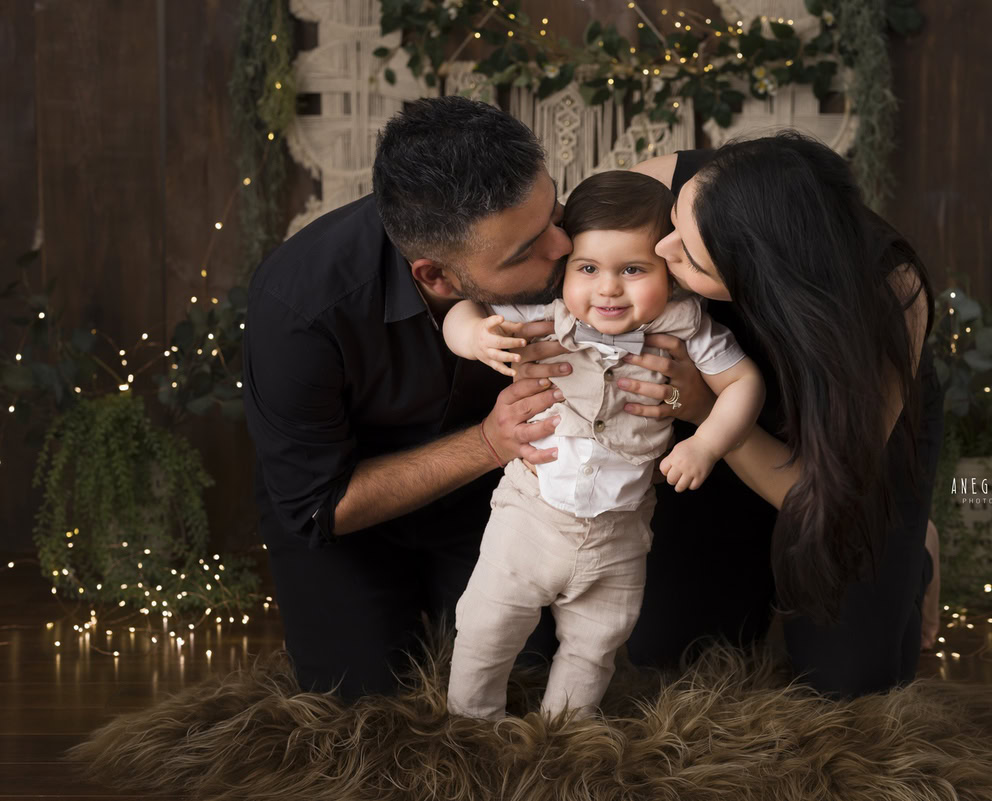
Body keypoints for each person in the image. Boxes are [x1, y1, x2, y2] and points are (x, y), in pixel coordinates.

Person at [242, 96, 585, 701]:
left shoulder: (556, 241)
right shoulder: (299, 305)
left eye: (553, 211)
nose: (561, 247)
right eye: (525, 251)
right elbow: (320, 507)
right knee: (360, 706)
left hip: (496, 499)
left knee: (527, 683)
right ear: (437, 277)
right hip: (352, 521)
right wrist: (488, 441)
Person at [615, 134, 945, 699]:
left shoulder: (890, 297)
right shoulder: (665, 184)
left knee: (850, 686)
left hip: (835, 454)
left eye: (690, 258)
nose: (662, 249)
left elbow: (824, 495)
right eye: (674, 220)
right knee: (666, 659)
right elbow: (571, 275)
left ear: (761, 284)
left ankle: (914, 546)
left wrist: (707, 405)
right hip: (701, 432)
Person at [440, 170, 764, 720]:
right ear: (565, 269)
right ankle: (470, 722)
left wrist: (706, 444)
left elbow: (744, 384)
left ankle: (566, 732)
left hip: (619, 533)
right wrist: (474, 337)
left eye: (633, 270)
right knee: (486, 626)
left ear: (670, 272)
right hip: (529, 517)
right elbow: (460, 310)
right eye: (587, 269)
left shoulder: (687, 325)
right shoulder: (546, 314)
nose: (608, 288)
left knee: (595, 646)